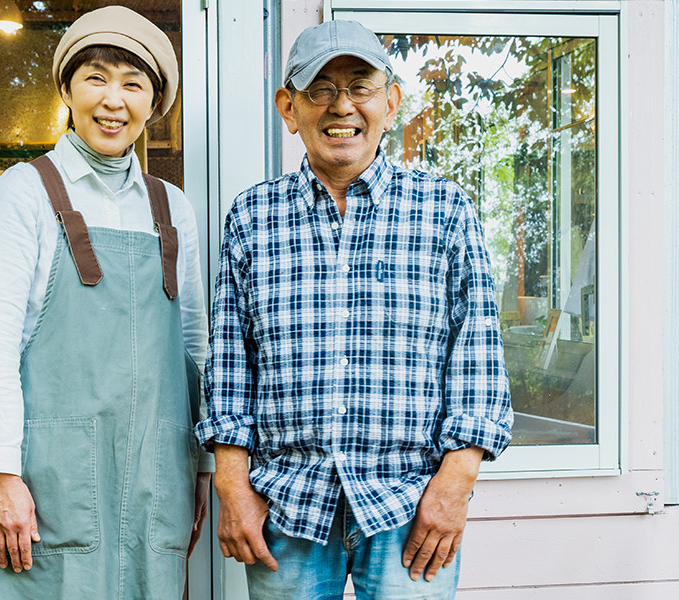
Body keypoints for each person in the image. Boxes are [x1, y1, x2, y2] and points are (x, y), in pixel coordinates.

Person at [195, 19, 513, 600]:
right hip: (286, 506)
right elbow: (229, 361)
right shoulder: (252, 216)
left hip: (410, 506)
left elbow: (479, 354)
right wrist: (233, 487)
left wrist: (455, 485)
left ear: (389, 103)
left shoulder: (444, 210)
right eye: (319, 89)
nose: (342, 106)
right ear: (288, 108)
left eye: (360, 87)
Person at [0, 6, 211, 599]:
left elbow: (196, 350)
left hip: (157, 482)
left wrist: (199, 467)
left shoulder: (172, 207)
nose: (113, 101)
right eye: (96, 78)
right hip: (48, 488)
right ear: (68, 88)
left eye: (133, 85)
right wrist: (1, 476)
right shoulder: (23, 191)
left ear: (154, 104)